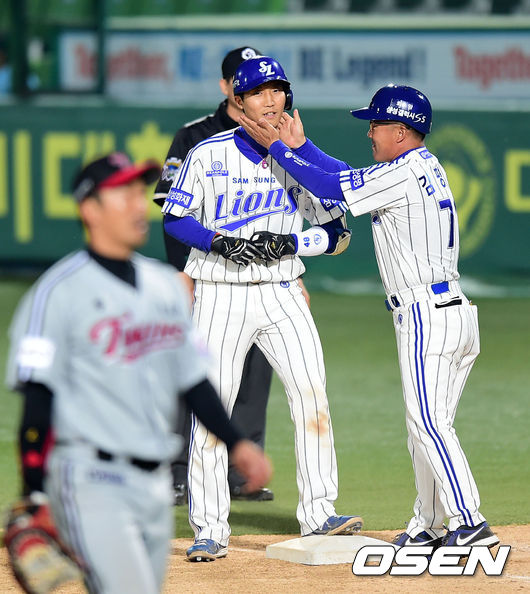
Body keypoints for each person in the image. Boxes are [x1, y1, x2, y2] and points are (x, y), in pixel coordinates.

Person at [240, 83, 500, 551]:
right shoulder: (419, 166)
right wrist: (303, 147)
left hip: (427, 316)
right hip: (451, 313)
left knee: (429, 426)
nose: (370, 132)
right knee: (426, 427)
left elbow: (330, 189)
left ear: (400, 131)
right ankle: (428, 524)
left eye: (376, 124)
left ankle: (469, 520)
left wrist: (277, 148)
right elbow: (347, 177)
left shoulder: (403, 173)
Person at [5, 152, 272, 592]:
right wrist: (34, 491)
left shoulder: (163, 285)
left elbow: (192, 379)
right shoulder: (57, 293)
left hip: (152, 485)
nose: (138, 204)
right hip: (89, 479)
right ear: (90, 209)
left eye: (138, 192)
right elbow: (38, 399)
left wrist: (236, 442)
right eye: (123, 194)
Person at [161, 55, 360, 562]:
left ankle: (320, 512)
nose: (271, 101)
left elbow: (339, 234)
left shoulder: (297, 155)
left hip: (282, 290)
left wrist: (293, 243)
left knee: (311, 394)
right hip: (220, 292)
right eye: (258, 92)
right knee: (214, 407)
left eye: (278, 91)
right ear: (238, 101)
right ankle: (210, 527)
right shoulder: (207, 153)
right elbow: (175, 218)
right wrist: (219, 242)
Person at [154, 46, 291, 504]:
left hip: (265, 280)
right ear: (227, 86)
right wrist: (181, 272)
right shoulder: (194, 136)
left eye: (269, 87)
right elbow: (172, 213)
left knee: (254, 373)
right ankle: (178, 468)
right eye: (245, 82)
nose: (259, 93)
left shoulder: (280, 136)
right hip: (206, 276)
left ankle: (242, 468)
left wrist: (295, 275)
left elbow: (287, 214)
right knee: (195, 369)